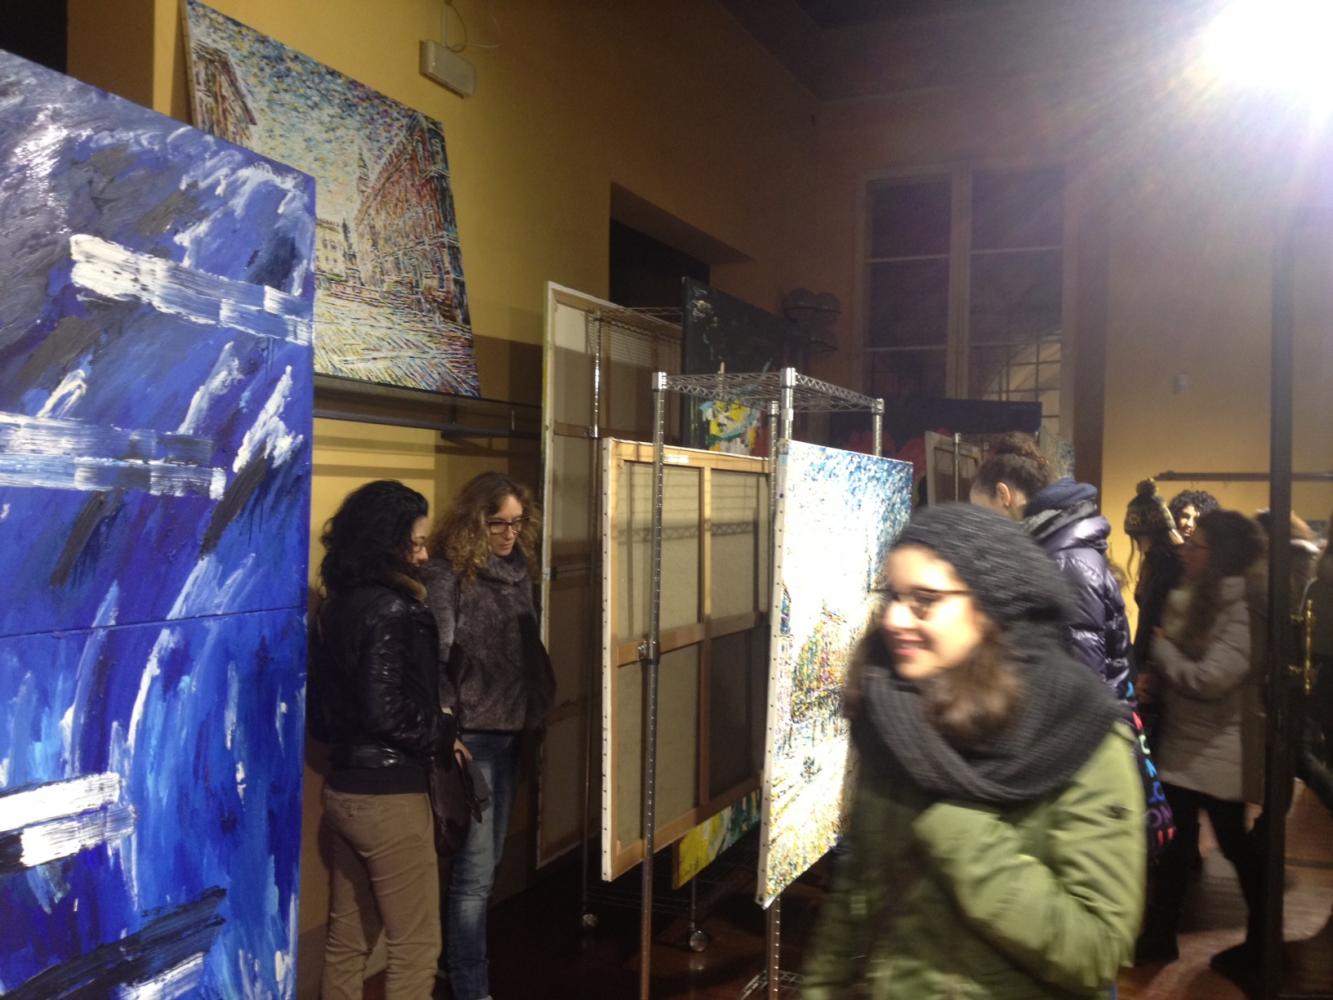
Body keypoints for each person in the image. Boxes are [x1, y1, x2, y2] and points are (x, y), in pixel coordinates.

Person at [803, 504, 1145, 998]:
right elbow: (854, 898)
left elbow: (1096, 950)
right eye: (893, 596)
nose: (894, 619)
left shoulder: (1079, 735)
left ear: (992, 607)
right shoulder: (890, 717)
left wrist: (960, 827)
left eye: (924, 600)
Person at [971, 437, 1173, 860]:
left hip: (1080, 759)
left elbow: (1082, 685)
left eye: (982, 512)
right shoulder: (1054, 551)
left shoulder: (1064, 561)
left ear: (1004, 497)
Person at [309, 480, 453, 1000]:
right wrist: (443, 729)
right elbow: (385, 711)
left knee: (347, 941)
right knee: (416, 947)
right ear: (387, 544)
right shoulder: (394, 609)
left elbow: (322, 718)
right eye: (415, 543)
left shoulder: (335, 605)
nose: (424, 554)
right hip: (389, 797)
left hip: (343, 790)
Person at [424, 472, 554, 1000]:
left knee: (488, 865)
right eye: (497, 523)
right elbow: (436, 655)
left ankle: (452, 968)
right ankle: (471, 988)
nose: (508, 534)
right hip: (472, 734)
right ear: (474, 520)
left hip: (512, 727)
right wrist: (448, 725)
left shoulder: (520, 569)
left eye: (516, 523)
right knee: (475, 875)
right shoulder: (448, 572)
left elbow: (527, 650)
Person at [1135, 510, 1267, 973]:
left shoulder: (1239, 607)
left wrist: (1163, 651)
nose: (1186, 551)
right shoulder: (1194, 599)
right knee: (1177, 845)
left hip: (1217, 750)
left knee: (1234, 846)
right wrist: (1155, 676)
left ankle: (1263, 940)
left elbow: (1211, 678)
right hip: (1189, 744)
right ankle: (1159, 936)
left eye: (1197, 545)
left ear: (1219, 555)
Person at [1124, 479, 1184, 739]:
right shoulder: (1169, 562)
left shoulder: (1164, 566)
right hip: (1164, 663)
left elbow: (1151, 621)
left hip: (1158, 668)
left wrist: (1143, 668)